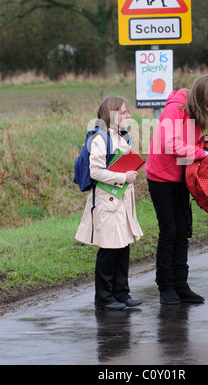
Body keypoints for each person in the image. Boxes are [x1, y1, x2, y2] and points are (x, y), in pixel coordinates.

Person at [145, 74, 208, 305]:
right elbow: (168, 144)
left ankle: (181, 284)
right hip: (160, 177)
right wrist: (202, 153)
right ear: (201, 98)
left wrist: (204, 146)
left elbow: (190, 142)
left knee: (183, 229)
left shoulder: (194, 111)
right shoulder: (174, 109)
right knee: (169, 230)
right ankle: (165, 287)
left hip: (181, 176)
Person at [75, 96, 143, 310]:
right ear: (111, 114)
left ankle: (121, 293)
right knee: (108, 250)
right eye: (124, 112)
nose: (128, 116)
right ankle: (104, 298)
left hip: (120, 200)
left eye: (128, 112)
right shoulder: (99, 138)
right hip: (106, 201)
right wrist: (124, 177)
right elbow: (95, 172)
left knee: (122, 247)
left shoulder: (122, 137)